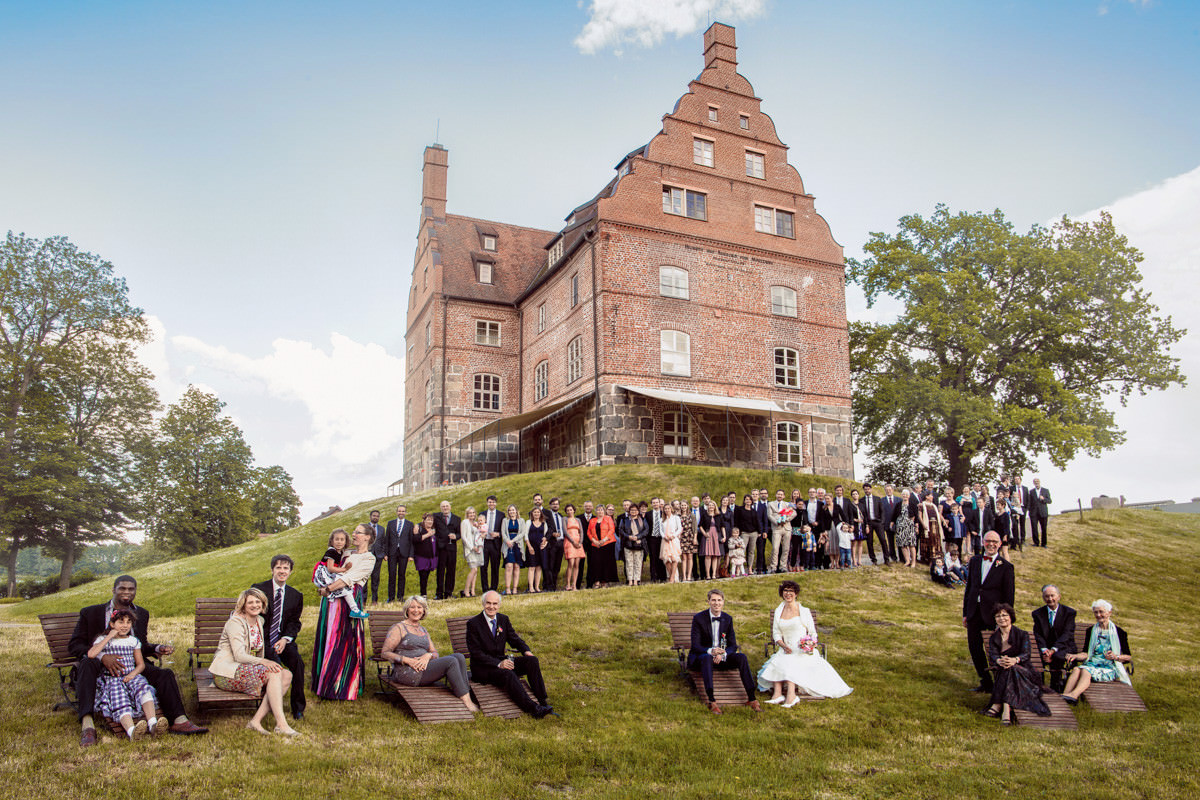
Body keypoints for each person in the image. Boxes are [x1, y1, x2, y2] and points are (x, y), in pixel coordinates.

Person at [69, 575, 207, 746]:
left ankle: (179, 720)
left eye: (130, 589)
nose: (126, 592)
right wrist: (103, 656)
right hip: (98, 665)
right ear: (113, 590)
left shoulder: (141, 613)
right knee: (87, 664)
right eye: (122, 588)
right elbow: (75, 645)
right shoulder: (91, 613)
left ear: (135, 592)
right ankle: (88, 726)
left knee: (165, 674)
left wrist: (157, 648)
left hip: (131, 665)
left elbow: (140, 646)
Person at [211, 587, 301, 736]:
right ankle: (282, 724)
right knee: (274, 673)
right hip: (226, 672)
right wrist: (264, 662)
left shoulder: (259, 620)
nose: (254, 605)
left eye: (257, 602)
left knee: (287, 675)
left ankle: (255, 721)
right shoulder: (235, 623)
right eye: (250, 602)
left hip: (245, 669)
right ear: (243, 606)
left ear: (263, 603)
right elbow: (239, 655)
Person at [757, 581, 852, 706]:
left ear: (796, 593)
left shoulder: (804, 611)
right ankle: (777, 695)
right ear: (782, 593)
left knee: (789, 661)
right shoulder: (779, 611)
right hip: (786, 647)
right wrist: (782, 645)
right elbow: (776, 633)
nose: (788, 594)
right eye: (785, 591)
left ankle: (791, 697)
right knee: (779, 659)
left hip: (802, 649)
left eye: (791, 591)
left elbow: (813, 633)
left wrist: (809, 645)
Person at [381, 595, 479, 713]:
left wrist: (428, 656)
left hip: (424, 667)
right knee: (451, 661)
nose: (416, 610)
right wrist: (408, 660)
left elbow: (435, 653)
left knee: (459, 656)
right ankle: (467, 702)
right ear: (407, 610)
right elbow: (385, 653)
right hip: (408, 671)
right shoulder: (399, 628)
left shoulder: (423, 630)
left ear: (423, 611)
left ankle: (465, 693)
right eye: (412, 607)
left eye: (419, 607)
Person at [311, 524, 376, 700]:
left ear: (367, 537)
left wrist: (328, 589)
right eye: (354, 532)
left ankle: (341, 686)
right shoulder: (346, 554)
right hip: (331, 599)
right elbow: (328, 568)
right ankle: (323, 681)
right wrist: (324, 588)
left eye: (358, 532)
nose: (353, 535)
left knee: (344, 639)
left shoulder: (369, 558)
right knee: (328, 636)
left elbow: (349, 578)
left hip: (349, 599)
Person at [465, 592, 554, 718]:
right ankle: (533, 709)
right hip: (483, 668)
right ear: (483, 604)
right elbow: (476, 653)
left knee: (532, 661)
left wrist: (526, 651)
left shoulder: (503, 620)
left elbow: (514, 639)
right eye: (488, 603)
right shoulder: (473, 624)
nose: (491, 607)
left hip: (501, 661)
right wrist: (499, 664)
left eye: (495, 604)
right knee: (508, 673)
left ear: (499, 605)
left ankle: (542, 701)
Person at [86, 609, 160, 739]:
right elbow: (91, 654)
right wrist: (109, 636)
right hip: (112, 679)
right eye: (121, 622)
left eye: (128, 622)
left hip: (131, 675)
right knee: (119, 698)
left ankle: (153, 723)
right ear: (112, 624)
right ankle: (132, 730)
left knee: (143, 689)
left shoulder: (133, 641)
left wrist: (132, 675)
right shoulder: (103, 639)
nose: (125, 625)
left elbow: (141, 664)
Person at [687, 589, 763, 714]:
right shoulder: (699, 618)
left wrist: (723, 654)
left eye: (719, 600)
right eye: (713, 600)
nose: (716, 603)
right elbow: (695, 645)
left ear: (723, 602)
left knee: (742, 657)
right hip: (703, 657)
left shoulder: (727, 619)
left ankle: (752, 698)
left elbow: (733, 645)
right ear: (708, 602)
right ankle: (712, 701)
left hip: (721, 657)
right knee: (706, 658)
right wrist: (711, 651)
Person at [252, 555, 306, 720]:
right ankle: (272, 707)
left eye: (286, 568)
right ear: (272, 570)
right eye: (279, 568)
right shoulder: (259, 589)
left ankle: (298, 708)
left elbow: (294, 623)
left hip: (283, 639)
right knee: (275, 664)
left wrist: (285, 639)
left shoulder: (296, 595)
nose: (282, 571)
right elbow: (250, 613)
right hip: (263, 639)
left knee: (297, 663)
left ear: (290, 572)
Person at [962, 531, 1015, 693]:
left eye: (994, 542)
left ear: (1000, 544)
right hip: (974, 612)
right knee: (974, 646)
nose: (991, 544)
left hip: (994, 615)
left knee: (997, 649)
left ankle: (1001, 683)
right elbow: (969, 588)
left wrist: (1005, 619)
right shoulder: (975, 561)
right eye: (988, 541)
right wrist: (965, 613)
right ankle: (985, 682)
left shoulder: (1006, 567)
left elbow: (1008, 596)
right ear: (983, 542)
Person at [980, 603, 1050, 724]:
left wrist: (1014, 660)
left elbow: (1026, 654)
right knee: (1008, 668)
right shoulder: (994, 637)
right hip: (1005, 668)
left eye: (1004, 615)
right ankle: (1006, 709)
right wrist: (999, 660)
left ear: (1011, 617)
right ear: (995, 619)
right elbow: (993, 654)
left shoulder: (1022, 634)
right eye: (998, 616)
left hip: (1025, 672)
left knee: (1010, 668)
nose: (1001, 618)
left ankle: (998, 705)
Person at [1061, 599, 1133, 704]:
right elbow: (1086, 653)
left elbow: (1128, 657)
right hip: (1092, 664)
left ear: (1109, 613)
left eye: (1101, 612)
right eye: (1096, 612)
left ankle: (1074, 695)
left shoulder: (1119, 632)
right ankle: (1065, 696)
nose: (1098, 615)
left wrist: (1115, 657)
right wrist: (1075, 656)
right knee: (1076, 669)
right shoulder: (1091, 631)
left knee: (1086, 670)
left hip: (1108, 668)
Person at [311, 528, 369, 619]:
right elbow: (330, 568)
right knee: (344, 585)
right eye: (336, 539)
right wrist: (344, 569)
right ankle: (354, 610)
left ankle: (353, 609)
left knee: (345, 588)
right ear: (332, 541)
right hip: (323, 573)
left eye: (342, 540)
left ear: (346, 541)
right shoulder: (331, 551)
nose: (339, 542)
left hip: (330, 573)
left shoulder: (340, 551)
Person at [1031, 584, 1076, 693]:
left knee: (1057, 656)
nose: (1050, 599)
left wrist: (1053, 650)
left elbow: (1067, 634)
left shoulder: (1069, 613)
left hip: (1063, 646)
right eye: (1047, 596)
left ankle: (1056, 685)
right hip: (1046, 647)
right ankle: (1039, 686)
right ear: (1043, 598)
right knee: (1033, 657)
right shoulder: (1037, 613)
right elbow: (1038, 634)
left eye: (1052, 595)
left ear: (1059, 596)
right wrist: (1045, 650)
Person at [383, 504, 415, 603]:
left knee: (402, 575)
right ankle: (391, 597)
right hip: (392, 552)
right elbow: (387, 539)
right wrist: (385, 553)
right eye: (399, 511)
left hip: (404, 553)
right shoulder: (390, 523)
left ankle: (400, 597)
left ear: (405, 512)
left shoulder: (410, 524)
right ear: (397, 512)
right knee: (392, 575)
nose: (401, 512)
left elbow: (411, 541)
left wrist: (411, 555)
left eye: (403, 511)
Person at [434, 500, 461, 600]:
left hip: (452, 548)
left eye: (446, 506)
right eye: (443, 506)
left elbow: (459, 533)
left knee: (451, 571)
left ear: (450, 507)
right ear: (441, 508)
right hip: (440, 548)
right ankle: (439, 594)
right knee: (440, 571)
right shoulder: (436, 517)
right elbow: (426, 521)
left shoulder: (457, 519)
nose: (445, 508)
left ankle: (449, 593)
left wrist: (456, 536)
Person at [586, 504, 618, 588]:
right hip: (595, 545)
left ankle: (604, 582)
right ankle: (597, 581)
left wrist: (604, 540)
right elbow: (588, 532)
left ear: (604, 511)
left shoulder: (608, 518)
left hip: (607, 544)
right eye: (598, 510)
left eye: (601, 510)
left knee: (606, 563)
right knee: (596, 563)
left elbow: (612, 530)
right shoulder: (592, 520)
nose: (600, 511)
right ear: (595, 511)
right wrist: (594, 541)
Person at [480, 495, 504, 593]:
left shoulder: (501, 515)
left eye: (493, 502)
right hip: (484, 543)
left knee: (495, 567)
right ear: (487, 503)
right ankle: (485, 589)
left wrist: (498, 534)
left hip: (495, 544)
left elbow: (504, 530)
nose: (491, 504)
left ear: (496, 503)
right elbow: (478, 528)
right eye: (490, 502)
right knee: (483, 567)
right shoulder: (482, 514)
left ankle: (494, 588)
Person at [619, 503, 648, 585]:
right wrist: (629, 537)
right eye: (632, 510)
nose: (633, 512)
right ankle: (630, 580)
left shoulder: (642, 520)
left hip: (639, 545)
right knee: (629, 563)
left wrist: (638, 537)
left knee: (638, 563)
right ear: (629, 511)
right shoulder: (624, 520)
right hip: (628, 545)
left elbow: (646, 530)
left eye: (635, 510)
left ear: (638, 511)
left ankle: (636, 580)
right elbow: (621, 530)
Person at [501, 504, 526, 595]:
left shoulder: (521, 520)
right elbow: (503, 533)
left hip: (517, 545)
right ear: (508, 512)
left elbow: (522, 533)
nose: (512, 512)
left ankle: (515, 588)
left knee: (516, 566)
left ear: (516, 511)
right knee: (509, 566)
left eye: (513, 510)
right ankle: (508, 589)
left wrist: (513, 540)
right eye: (510, 510)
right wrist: (508, 541)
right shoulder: (505, 521)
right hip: (507, 545)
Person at [768, 490, 794, 573]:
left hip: (786, 528)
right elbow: (769, 515)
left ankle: (783, 566)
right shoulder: (771, 504)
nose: (779, 496)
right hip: (776, 528)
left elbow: (794, 513)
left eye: (781, 494)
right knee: (775, 548)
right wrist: (777, 522)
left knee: (786, 548)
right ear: (776, 495)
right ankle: (773, 567)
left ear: (784, 496)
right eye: (778, 494)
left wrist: (786, 520)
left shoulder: (787, 504)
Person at [461, 506, 485, 598]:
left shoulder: (475, 523)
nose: (472, 514)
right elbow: (464, 537)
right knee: (473, 569)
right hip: (470, 549)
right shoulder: (465, 522)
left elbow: (479, 534)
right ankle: (466, 591)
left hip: (477, 549)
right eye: (470, 513)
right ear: (467, 514)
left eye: (473, 513)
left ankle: (473, 591)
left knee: (476, 570)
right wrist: (472, 547)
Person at [412, 513, 438, 597]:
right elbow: (416, 539)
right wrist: (428, 535)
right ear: (424, 521)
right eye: (428, 520)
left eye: (431, 520)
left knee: (427, 575)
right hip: (422, 557)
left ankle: (425, 593)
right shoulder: (419, 528)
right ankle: (423, 594)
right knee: (423, 576)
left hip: (432, 557)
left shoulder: (434, 530)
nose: (430, 522)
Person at [701, 498, 725, 579]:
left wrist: (724, 536)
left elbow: (722, 526)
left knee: (715, 555)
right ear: (708, 507)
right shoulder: (704, 514)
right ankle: (708, 575)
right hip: (707, 536)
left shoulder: (718, 515)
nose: (711, 507)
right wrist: (704, 534)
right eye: (709, 505)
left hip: (716, 535)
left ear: (715, 507)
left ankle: (714, 574)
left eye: (712, 505)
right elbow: (700, 526)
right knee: (708, 555)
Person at [563, 503, 584, 591]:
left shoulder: (578, 520)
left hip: (578, 542)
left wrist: (580, 542)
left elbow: (582, 532)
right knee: (571, 563)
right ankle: (567, 584)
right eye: (567, 510)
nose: (569, 512)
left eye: (571, 510)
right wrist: (573, 542)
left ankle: (574, 585)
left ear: (574, 510)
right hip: (569, 541)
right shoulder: (564, 519)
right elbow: (565, 531)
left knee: (576, 564)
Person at [526, 506, 548, 593]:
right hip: (532, 547)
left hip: (541, 547)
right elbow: (525, 535)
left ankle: (537, 587)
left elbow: (545, 536)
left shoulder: (544, 523)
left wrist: (545, 544)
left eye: (538, 512)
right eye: (534, 512)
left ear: (540, 514)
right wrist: (529, 546)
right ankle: (531, 587)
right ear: (532, 514)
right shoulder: (528, 522)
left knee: (539, 567)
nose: (536, 514)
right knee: (532, 567)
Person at [659, 502, 682, 583]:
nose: (667, 510)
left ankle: (672, 578)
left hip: (673, 540)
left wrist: (673, 536)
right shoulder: (662, 520)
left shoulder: (676, 518)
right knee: (667, 560)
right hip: (665, 540)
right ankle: (671, 576)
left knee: (674, 558)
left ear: (671, 509)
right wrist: (664, 536)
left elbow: (679, 529)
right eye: (665, 509)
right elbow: (661, 531)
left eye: (668, 508)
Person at [895, 489, 918, 568]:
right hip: (900, 526)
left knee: (911, 544)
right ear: (901, 495)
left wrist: (917, 525)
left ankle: (913, 561)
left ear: (909, 496)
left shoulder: (912, 504)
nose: (904, 496)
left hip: (910, 526)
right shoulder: (898, 504)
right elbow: (894, 514)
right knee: (903, 545)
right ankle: (907, 560)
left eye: (906, 494)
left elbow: (916, 515)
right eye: (903, 494)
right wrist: (892, 522)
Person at [679, 499, 698, 582]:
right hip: (682, 537)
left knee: (690, 557)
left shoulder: (692, 515)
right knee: (684, 557)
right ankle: (684, 576)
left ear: (687, 506)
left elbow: (695, 528)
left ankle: (689, 575)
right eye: (682, 505)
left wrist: (695, 538)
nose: (683, 507)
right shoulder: (677, 516)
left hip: (690, 537)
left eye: (685, 505)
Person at [1029, 478, 1052, 547]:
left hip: (1043, 513)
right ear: (1033, 483)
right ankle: (1036, 543)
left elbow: (1050, 501)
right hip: (1034, 513)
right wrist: (1030, 511)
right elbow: (1029, 502)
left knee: (1044, 528)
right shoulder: (1031, 491)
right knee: (1034, 528)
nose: (1036, 483)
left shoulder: (1045, 490)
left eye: (1037, 481)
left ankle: (1044, 544)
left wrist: (1044, 499)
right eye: (1035, 482)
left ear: (1040, 482)